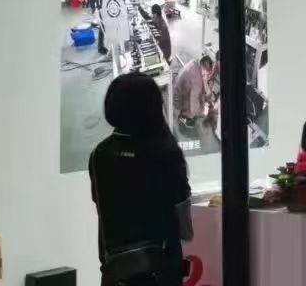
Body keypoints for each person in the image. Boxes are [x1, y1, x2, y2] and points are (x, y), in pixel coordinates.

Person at [90, 73, 192, 286]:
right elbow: (185, 229)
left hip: (116, 272)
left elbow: (103, 208)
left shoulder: (100, 154)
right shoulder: (165, 152)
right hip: (159, 272)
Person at [174, 55, 216, 128]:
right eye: (207, 74)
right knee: (194, 112)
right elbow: (194, 106)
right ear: (204, 70)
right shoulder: (195, 80)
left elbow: (200, 87)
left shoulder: (195, 63)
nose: (207, 76)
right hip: (178, 103)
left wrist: (205, 97)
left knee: (199, 96)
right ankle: (184, 117)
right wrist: (203, 111)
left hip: (177, 88)